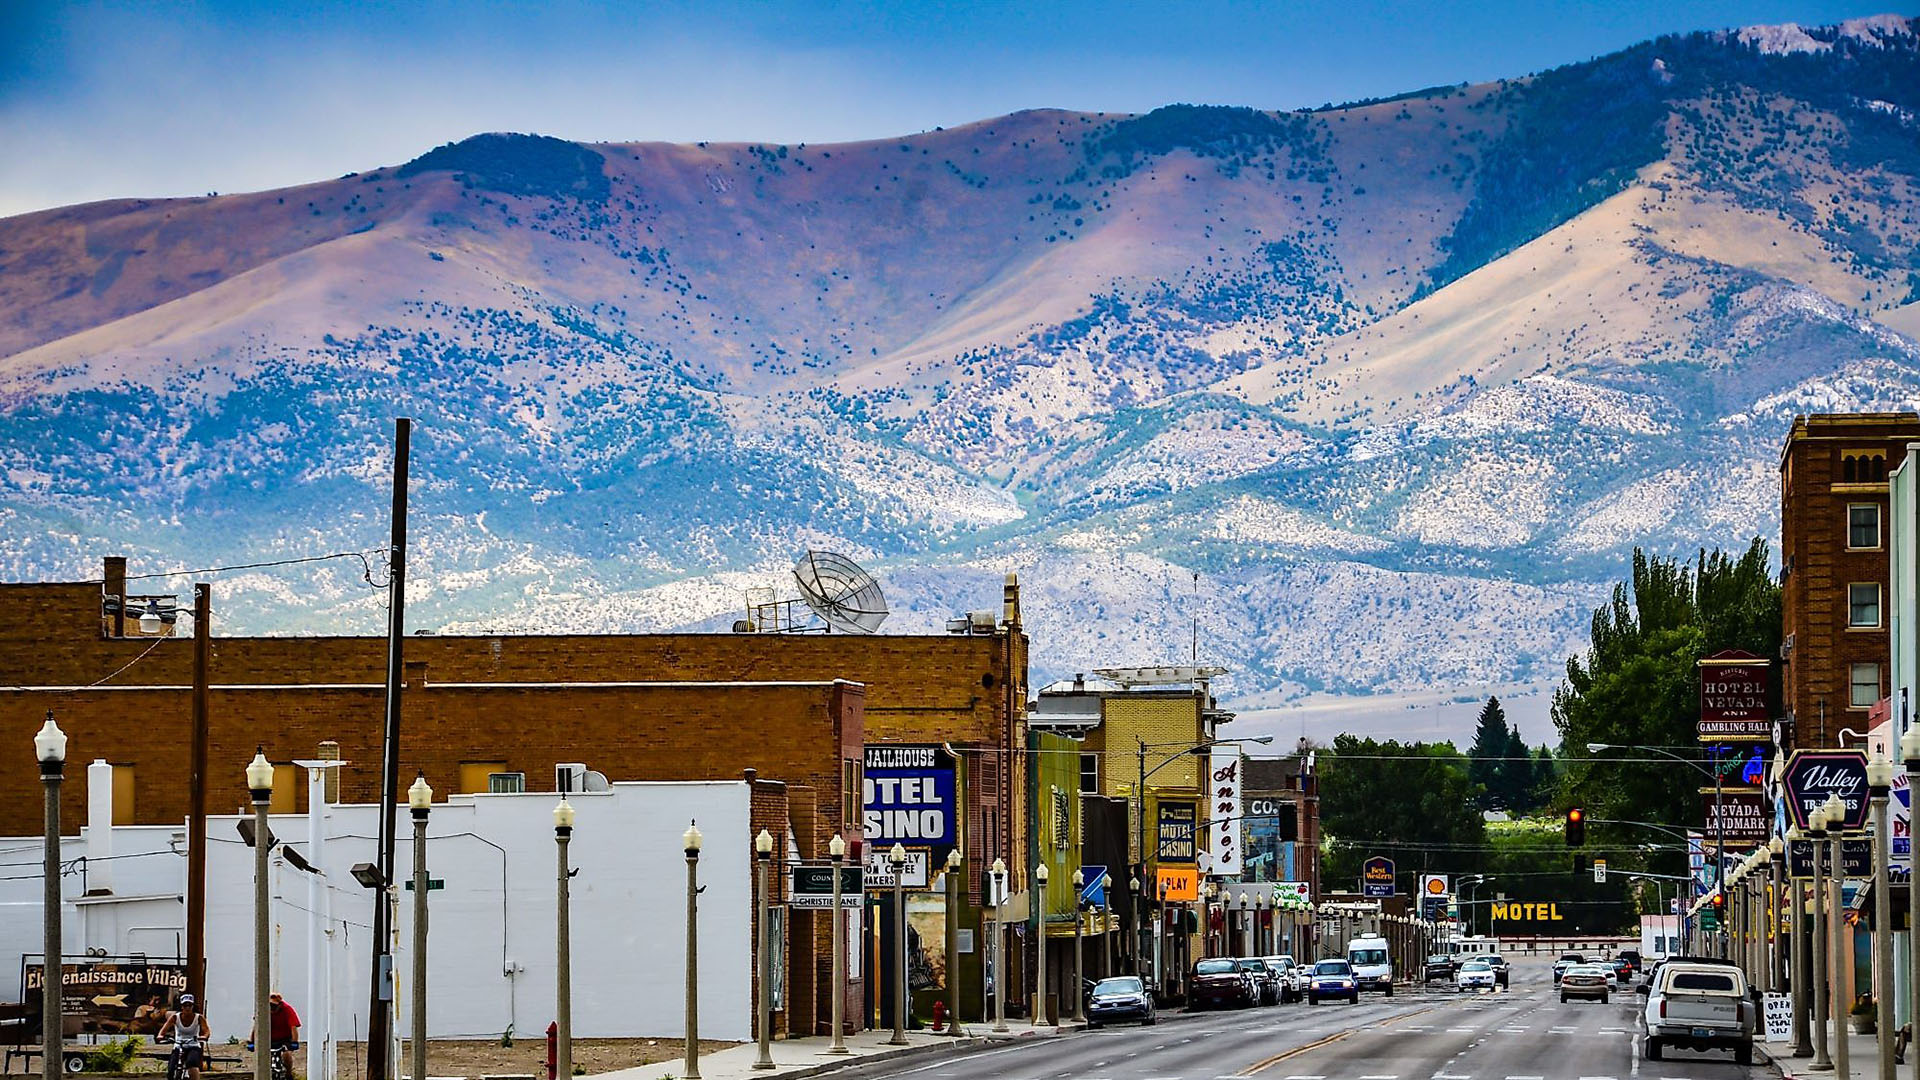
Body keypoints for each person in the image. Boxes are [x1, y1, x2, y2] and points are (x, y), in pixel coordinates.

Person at [248, 992, 300, 1079]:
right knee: (263, 1057)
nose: (271, 1008)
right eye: (270, 1005)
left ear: (279, 1004)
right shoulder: (263, 1009)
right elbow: (256, 1026)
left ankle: (288, 1073)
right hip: (268, 1038)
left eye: (274, 1006)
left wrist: (294, 1042)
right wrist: (252, 1041)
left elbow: (293, 1027)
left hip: (284, 1038)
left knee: (286, 1054)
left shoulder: (287, 1009)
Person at [157, 994, 209, 1080]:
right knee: (170, 1069)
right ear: (182, 1007)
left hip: (193, 1045)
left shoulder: (199, 1017)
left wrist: (203, 1037)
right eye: (185, 1005)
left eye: (190, 1005)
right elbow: (164, 1029)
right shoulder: (175, 1017)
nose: (187, 1008)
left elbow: (206, 1031)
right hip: (179, 1045)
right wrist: (160, 1036)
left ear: (193, 1006)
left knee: (191, 1063)